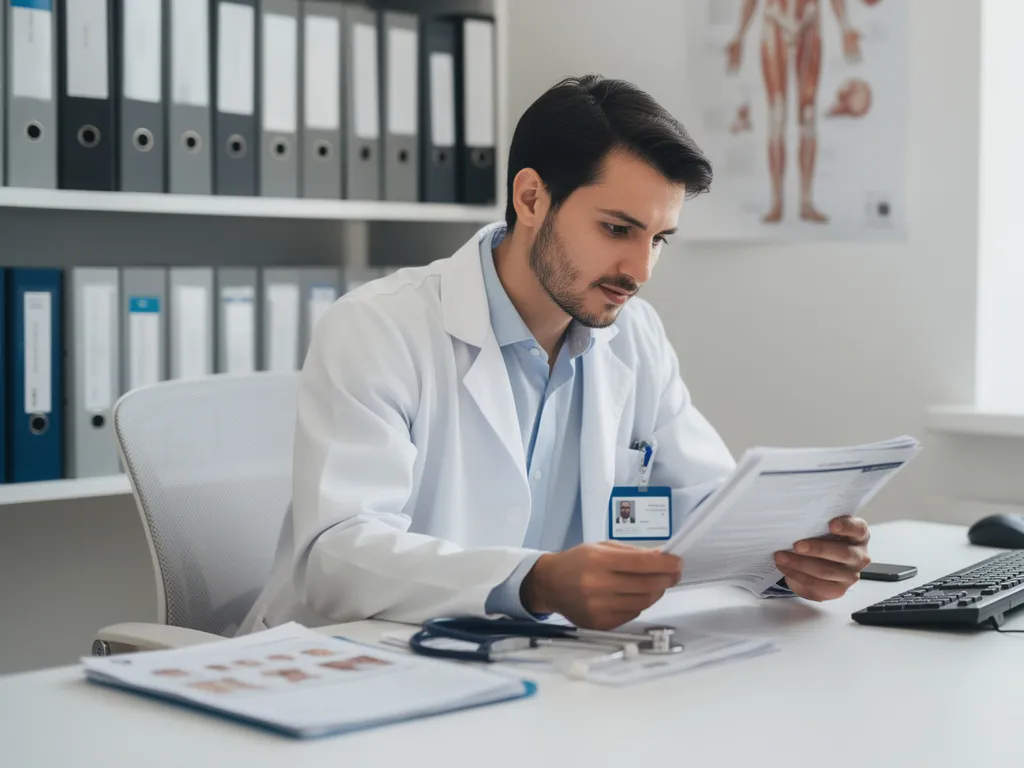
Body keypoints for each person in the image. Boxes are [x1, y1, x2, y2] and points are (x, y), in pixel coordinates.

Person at [241, 75, 872, 634]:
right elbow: (337, 556)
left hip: (537, 671)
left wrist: (790, 560)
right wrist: (534, 581)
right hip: (353, 662)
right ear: (532, 198)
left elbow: (711, 506)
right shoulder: (379, 327)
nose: (640, 269)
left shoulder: (635, 337)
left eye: (659, 239)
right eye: (617, 229)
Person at [726, 0, 862, 223]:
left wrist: (845, 27)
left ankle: (805, 202)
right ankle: (778, 202)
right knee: (777, 115)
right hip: (775, 28)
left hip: (808, 29)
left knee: (807, 116)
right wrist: (739, 35)